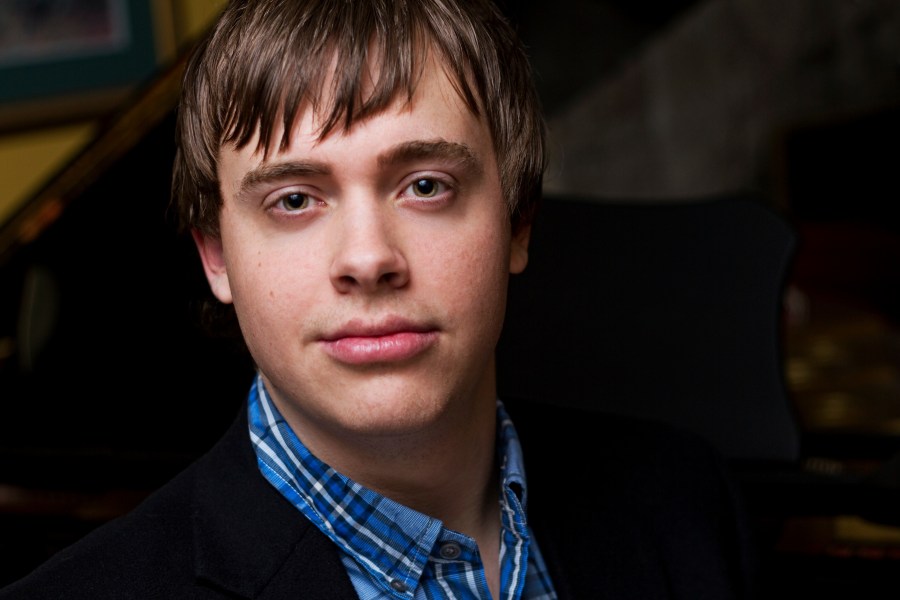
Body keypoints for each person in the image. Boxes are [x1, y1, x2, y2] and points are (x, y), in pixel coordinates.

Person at [0, 0, 755, 598]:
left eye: (425, 186)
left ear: (518, 223)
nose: (368, 259)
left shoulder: (683, 498)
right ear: (217, 258)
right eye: (295, 199)